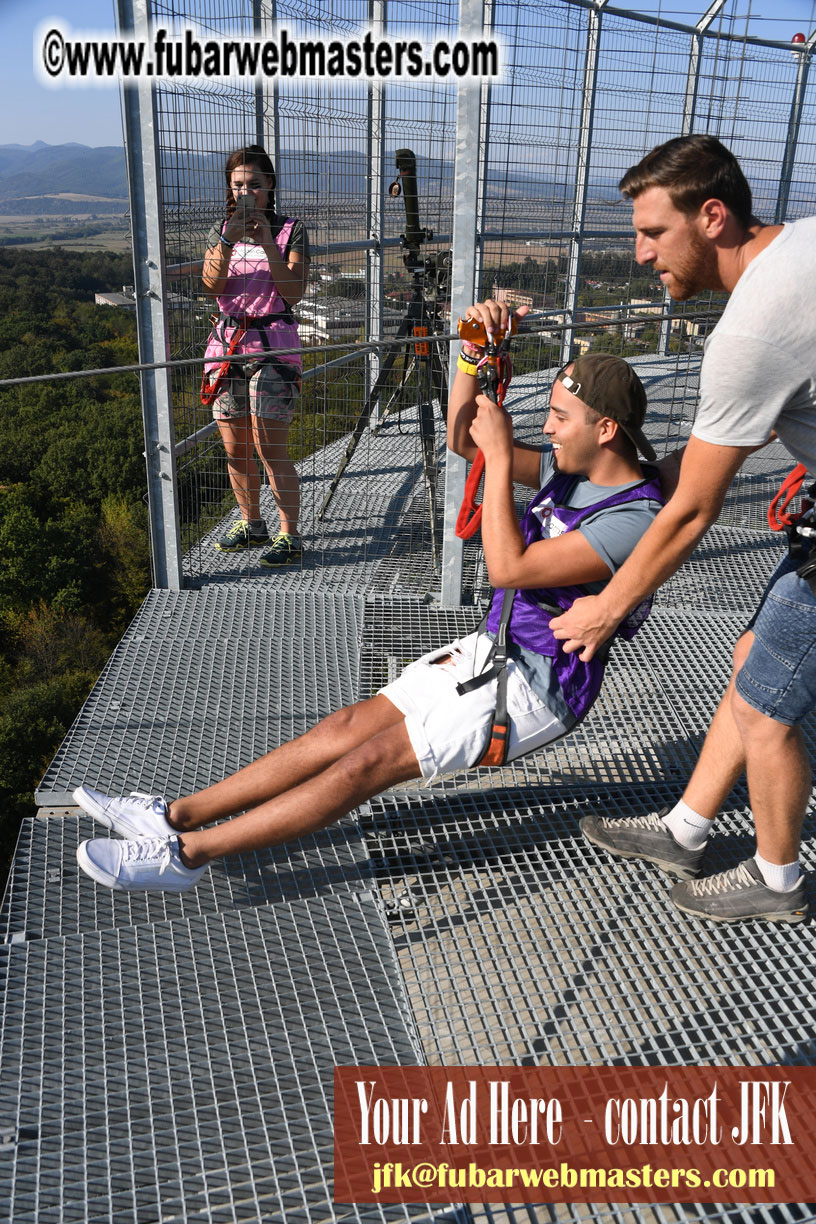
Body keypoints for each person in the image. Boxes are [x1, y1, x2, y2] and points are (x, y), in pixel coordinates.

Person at [73, 304, 663, 894]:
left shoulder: (631, 518)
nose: (550, 427)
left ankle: (186, 856)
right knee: (344, 728)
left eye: (560, 417)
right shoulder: (572, 468)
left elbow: (510, 567)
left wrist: (504, 456)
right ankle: (174, 815)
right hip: (495, 648)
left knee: (367, 764)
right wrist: (470, 354)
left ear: (606, 429)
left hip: (539, 685)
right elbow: (463, 439)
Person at [551, 134, 815, 925]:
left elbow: (692, 509)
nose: (639, 255)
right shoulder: (799, 245)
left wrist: (606, 607)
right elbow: (733, 443)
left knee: (768, 711)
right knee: (752, 655)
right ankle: (687, 829)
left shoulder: (751, 331)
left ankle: (778, 881)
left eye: (653, 233)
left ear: (713, 216)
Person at [202, 144, 310, 567]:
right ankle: (251, 521)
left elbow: (294, 291)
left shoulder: (290, 230)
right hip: (227, 347)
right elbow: (213, 286)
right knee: (235, 446)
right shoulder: (221, 231)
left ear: (270, 187)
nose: (246, 193)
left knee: (269, 447)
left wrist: (267, 244)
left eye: (254, 185)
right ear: (229, 189)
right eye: (238, 185)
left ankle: (289, 533)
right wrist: (228, 239)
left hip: (272, 348)